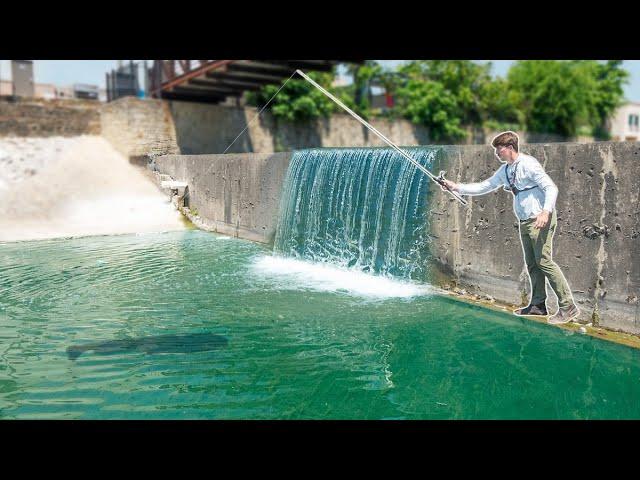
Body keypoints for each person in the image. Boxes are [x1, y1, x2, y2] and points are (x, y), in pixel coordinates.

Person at [441, 131, 580, 325]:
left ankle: (568, 307)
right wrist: (456, 187)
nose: (497, 153)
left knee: (544, 261)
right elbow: (485, 186)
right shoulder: (506, 170)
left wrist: (545, 212)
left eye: (499, 149)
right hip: (525, 221)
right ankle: (539, 305)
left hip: (540, 219)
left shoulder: (528, 165)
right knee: (532, 264)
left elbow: (551, 188)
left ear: (510, 148)